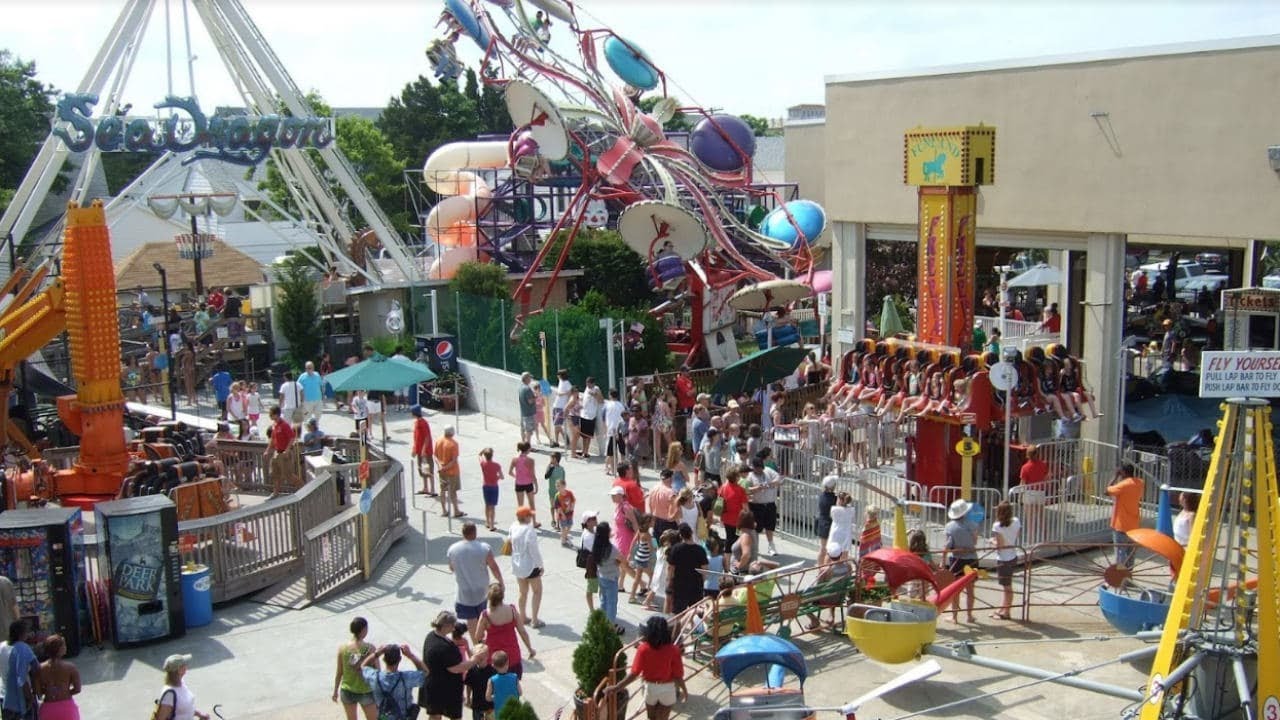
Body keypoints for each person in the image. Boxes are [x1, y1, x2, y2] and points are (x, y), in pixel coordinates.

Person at [606, 616, 687, 720]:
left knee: (651, 717)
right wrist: (684, 690)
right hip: (668, 689)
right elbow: (678, 675)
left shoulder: (643, 649)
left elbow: (634, 673)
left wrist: (616, 687)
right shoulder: (674, 650)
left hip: (650, 688)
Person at [448, 524, 504, 644]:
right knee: (484, 616)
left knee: (471, 620)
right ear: (475, 533)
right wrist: (501, 581)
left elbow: (451, 568)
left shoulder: (453, 549)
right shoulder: (484, 548)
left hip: (464, 591)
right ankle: (486, 639)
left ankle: (476, 644)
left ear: (463, 533)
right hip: (482, 591)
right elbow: (493, 567)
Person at [420, 611, 477, 720]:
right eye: (452, 625)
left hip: (433, 685)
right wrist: (475, 660)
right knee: (450, 716)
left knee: (435, 715)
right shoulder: (444, 647)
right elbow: (456, 668)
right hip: (445, 689)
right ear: (446, 626)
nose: (454, 628)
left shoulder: (431, 636)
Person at [474, 584, 536, 679]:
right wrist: (530, 649)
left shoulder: (485, 615)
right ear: (502, 596)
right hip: (512, 656)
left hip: (494, 659)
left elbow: (478, 636)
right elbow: (522, 632)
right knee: (513, 684)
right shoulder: (512, 610)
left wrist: (485, 641)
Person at [360, 643, 426, 720]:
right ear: (399, 659)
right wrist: (410, 655)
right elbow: (425, 672)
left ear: (384, 659)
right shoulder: (406, 678)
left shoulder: (375, 677)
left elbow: (363, 666)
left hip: (383, 717)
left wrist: (377, 653)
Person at [333, 617, 377, 720]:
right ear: (363, 630)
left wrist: (335, 691)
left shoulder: (342, 648)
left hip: (347, 690)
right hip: (366, 691)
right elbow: (377, 672)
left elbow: (339, 672)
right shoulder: (370, 648)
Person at [509, 507, 545, 629]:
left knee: (522, 592)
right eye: (529, 515)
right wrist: (540, 564)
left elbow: (509, 541)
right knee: (537, 591)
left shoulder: (513, 526)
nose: (531, 517)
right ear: (525, 517)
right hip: (530, 565)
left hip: (517, 564)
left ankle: (523, 617)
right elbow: (534, 550)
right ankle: (534, 620)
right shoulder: (529, 530)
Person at [944, 499, 979, 623]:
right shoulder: (973, 525)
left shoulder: (949, 527)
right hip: (971, 559)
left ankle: (954, 617)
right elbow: (975, 542)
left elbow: (947, 545)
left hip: (956, 560)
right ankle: (969, 615)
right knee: (970, 589)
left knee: (956, 590)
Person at [666, 523, 709, 615]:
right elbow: (705, 570)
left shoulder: (676, 549)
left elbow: (671, 568)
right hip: (696, 586)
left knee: (678, 613)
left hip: (680, 585)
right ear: (691, 532)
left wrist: (669, 581)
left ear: (681, 535)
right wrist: (704, 583)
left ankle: (678, 625)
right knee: (696, 612)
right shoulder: (700, 550)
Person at [1107, 463, 1144, 567]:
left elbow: (1107, 490)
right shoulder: (1140, 483)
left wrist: (1115, 476)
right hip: (1134, 524)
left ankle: (1121, 574)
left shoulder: (1123, 485)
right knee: (1130, 552)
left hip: (1121, 524)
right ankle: (1129, 573)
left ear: (1123, 472)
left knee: (1120, 552)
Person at [153, 653, 210, 720]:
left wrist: (200, 714)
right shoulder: (169, 694)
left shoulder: (181, 683)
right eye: (184, 664)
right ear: (179, 670)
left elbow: (184, 708)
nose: (187, 666)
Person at [35, 633, 79, 720]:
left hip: (48, 709)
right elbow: (77, 689)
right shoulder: (71, 667)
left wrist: (51, 690)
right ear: (60, 649)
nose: (66, 647)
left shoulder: (40, 669)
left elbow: (38, 692)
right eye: (64, 645)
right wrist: (65, 691)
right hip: (67, 708)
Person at [990, 501, 1022, 621]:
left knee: (1007, 587)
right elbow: (1016, 535)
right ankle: (1002, 609)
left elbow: (1000, 545)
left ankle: (1006, 612)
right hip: (1012, 556)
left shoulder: (997, 526)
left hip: (1004, 559)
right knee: (1006, 586)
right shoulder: (1016, 521)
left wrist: (992, 541)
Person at [590, 522, 624, 633]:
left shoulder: (596, 546)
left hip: (601, 576)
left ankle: (603, 622)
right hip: (611, 579)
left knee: (604, 600)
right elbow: (622, 558)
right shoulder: (611, 549)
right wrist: (617, 563)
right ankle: (611, 626)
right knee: (612, 603)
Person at [745, 457, 781, 556]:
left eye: (761, 468)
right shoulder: (750, 475)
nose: (760, 470)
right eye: (758, 468)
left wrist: (770, 484)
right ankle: (755, 548)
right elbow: (746, 489)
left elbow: (778, 478)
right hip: (756, 505)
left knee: (770, 526)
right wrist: (757, 488)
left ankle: (771, 546)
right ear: (754, 467)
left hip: (769, 503)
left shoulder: (768, 471)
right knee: (756, 528)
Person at [262, 405, 297, 499]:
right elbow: (272, 439)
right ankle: (275, 493)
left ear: (276, 414)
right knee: (275, 473)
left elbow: (292, 437)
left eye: (271, 414)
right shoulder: (274, 425)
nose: (270, 416)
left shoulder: (284, 425)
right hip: (276, 452)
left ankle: (303, 489)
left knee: (289, 475)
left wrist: (287, 450)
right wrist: (267, 450)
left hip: (284, 453)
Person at [731, 509, 778, 575]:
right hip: (744, 570)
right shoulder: (752, 531)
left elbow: (746, 554)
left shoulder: (746, 536)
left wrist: (739, 565)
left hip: (742, 572)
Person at [508, 443, 540, 528]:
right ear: (527, 449)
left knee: (520, 505)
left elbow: (510, 472)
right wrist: (536, 485)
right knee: (531, 503)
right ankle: (534, 522)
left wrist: (516, 476)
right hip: (528, 484)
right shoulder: (530, 460)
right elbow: (532, 474)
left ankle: (520, 522)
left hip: (519, 484)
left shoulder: (514, 459)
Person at [717, 466, 749, 549]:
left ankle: (727, 555)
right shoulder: (740, 490)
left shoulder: (723, 487)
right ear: (736, 477)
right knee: (737, 541)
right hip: (737, 520)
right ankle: (735, 556)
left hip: (726, 518)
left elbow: (719, 503)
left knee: (729, 538)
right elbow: (745, 508)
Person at [435, 427, 464, 519]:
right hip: (452, 472)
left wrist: (440, 466)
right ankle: (456, 511)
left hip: (442, 472)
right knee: (453, 492)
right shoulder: (453, 444)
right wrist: (445, 468)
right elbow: (454, 460)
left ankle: (444, 510)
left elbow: (435, 456)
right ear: (452, 433)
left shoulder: (438, 441)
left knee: (442, 490)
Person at [484, 650, 521, 718]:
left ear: (493, 666)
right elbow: (520, 693)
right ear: (508, 662)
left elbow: (488, 698)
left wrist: (496, 697)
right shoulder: (515, 677)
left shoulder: (492, 680)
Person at [463, 644, 494, 720]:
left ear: (487, 656)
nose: (479, 660)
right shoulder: (472, 670)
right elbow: (469, 685)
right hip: (477, 703)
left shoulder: (492, 670)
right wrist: (468, 698)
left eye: (481, 658)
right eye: (477, 658)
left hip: (490, 704)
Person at [412, 406, 436, 496]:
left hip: (425, 452)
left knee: (429, 469)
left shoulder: (423, 423)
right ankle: (425, 487)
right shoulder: (417, 422)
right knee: (423, 469)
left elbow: (427, 437)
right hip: (419, 451)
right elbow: (416, 438)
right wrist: (414, 449)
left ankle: (432, 489)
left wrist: (423, 450)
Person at [648, 469, 679, 539]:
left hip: (656, 521)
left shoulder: (653, 489)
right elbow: (676, 510)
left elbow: (649, 504)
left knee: (659, 542)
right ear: (670, 478)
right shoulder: (670, 493)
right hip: (668, 523)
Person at [602, 389, 627, 475]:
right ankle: (623, 470)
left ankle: (611, 469)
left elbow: (603, 418)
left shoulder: (606, 405)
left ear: (610, 395)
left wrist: (605, 430)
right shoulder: (622, 405)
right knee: (622, 452)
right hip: (621, 431)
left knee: (610, 453)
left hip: (611, 431)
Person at [478, 449, 503, 531]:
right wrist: (496, 478)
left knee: (487, 505)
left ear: (485, 456)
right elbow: (502, 477)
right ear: (492, 455)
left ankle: (487, 522)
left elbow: (479, 456)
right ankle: (492, 525)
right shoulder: (497, 465)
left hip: (485, 486)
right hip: (494, 487)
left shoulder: (483, 464)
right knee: (492, 507)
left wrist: (482, 451)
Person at [579, 512, 600, 612]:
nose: (596, 519)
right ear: (587, 522)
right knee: (591, 587)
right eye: (593, 518)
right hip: (592, 566)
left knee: (600, 586)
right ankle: (591, 609)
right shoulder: (588, 536)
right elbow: (595, 551)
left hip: (596, 564)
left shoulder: (593, 531)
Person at [551, 369, 572, 448]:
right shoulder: (560, 382)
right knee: (556, 424)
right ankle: (557, 441)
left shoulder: (567, 384)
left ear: (561, 375)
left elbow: (570, 394)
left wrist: (568, 407)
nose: (557, 376)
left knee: (557, 424)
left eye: (558, 375)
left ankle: (564, 438)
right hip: (556, 406)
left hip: (562, 407)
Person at [553, 478, 576, 548]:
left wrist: (572, 507)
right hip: (562, 514)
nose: (557, 488)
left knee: (570, 525)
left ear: (564, 486)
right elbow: (558, 507)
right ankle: (563, 541)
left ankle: (565, 536)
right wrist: (562, 515)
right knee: (563, 528)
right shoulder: (557, 496)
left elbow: (573, 500)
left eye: (559, 486)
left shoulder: (569, 493)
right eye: (557, 486)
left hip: (569, 513)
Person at [517, 373, 537, 445]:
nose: (531, 379)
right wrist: (536, 396)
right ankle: (527, 447)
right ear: (526, 379)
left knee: (523, 430)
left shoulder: (520, 388)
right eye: (530, 378)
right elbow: (530, 401)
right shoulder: (527, 389)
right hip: (529, 413)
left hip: (523, 412)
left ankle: (523, 444)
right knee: (529, 431)